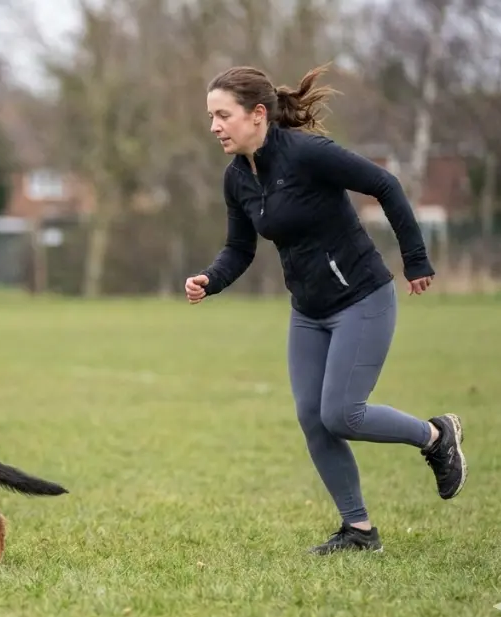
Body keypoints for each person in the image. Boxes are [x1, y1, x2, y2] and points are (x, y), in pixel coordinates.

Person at [186, 63, 467, 555]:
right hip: (308, 311)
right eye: (211, 116)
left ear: (257, 114)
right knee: (312, 417)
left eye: (222, 115)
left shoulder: (308, 154)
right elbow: (240, 248)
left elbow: (385, 184)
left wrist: (415, 258)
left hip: (362, 297)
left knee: (342, 414)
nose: (214, 127)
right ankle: (358, 531)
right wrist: (211, 280)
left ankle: (435, 435)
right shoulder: (237, 179)